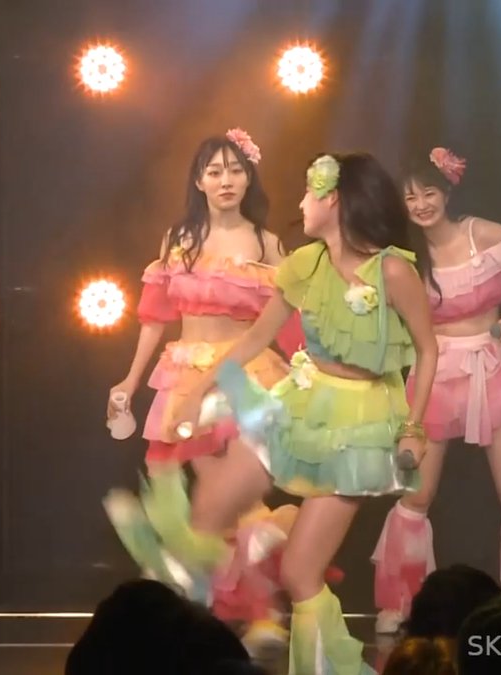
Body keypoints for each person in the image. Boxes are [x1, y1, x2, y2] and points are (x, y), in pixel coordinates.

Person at [167, 152, 440, 674]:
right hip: (301, 400)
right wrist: (198, 388)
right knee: (212, 507)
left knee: (300, 574)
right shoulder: (305, 265)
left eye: (308, 193)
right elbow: (255, 338)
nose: (300, 204)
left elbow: (428, 349)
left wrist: (413, 427)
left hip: (359, 423)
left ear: (334, 200)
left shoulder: (392, 270)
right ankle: (221, 593)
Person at [371, 147, 501, 633]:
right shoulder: (406, 255)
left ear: (447, 192)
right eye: (410, 198)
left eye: (428, 193)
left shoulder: (478, 232)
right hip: (436, 370)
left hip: (492, 366)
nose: (420, 205)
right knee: (418, 493)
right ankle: (400, 602)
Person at [102, 130, 291, 617]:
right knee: (201, 496)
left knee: (232, 498)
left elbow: (289, 321)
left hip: (245, 375)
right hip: (185, 372)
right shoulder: (179, 239)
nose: (226, 180)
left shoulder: (267, 242)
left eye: (235, 170)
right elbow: (154, 317)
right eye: (215, 171)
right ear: (199, 181)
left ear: (249, 178)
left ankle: (247, 609)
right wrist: (129, 380)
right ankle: (223, 602)